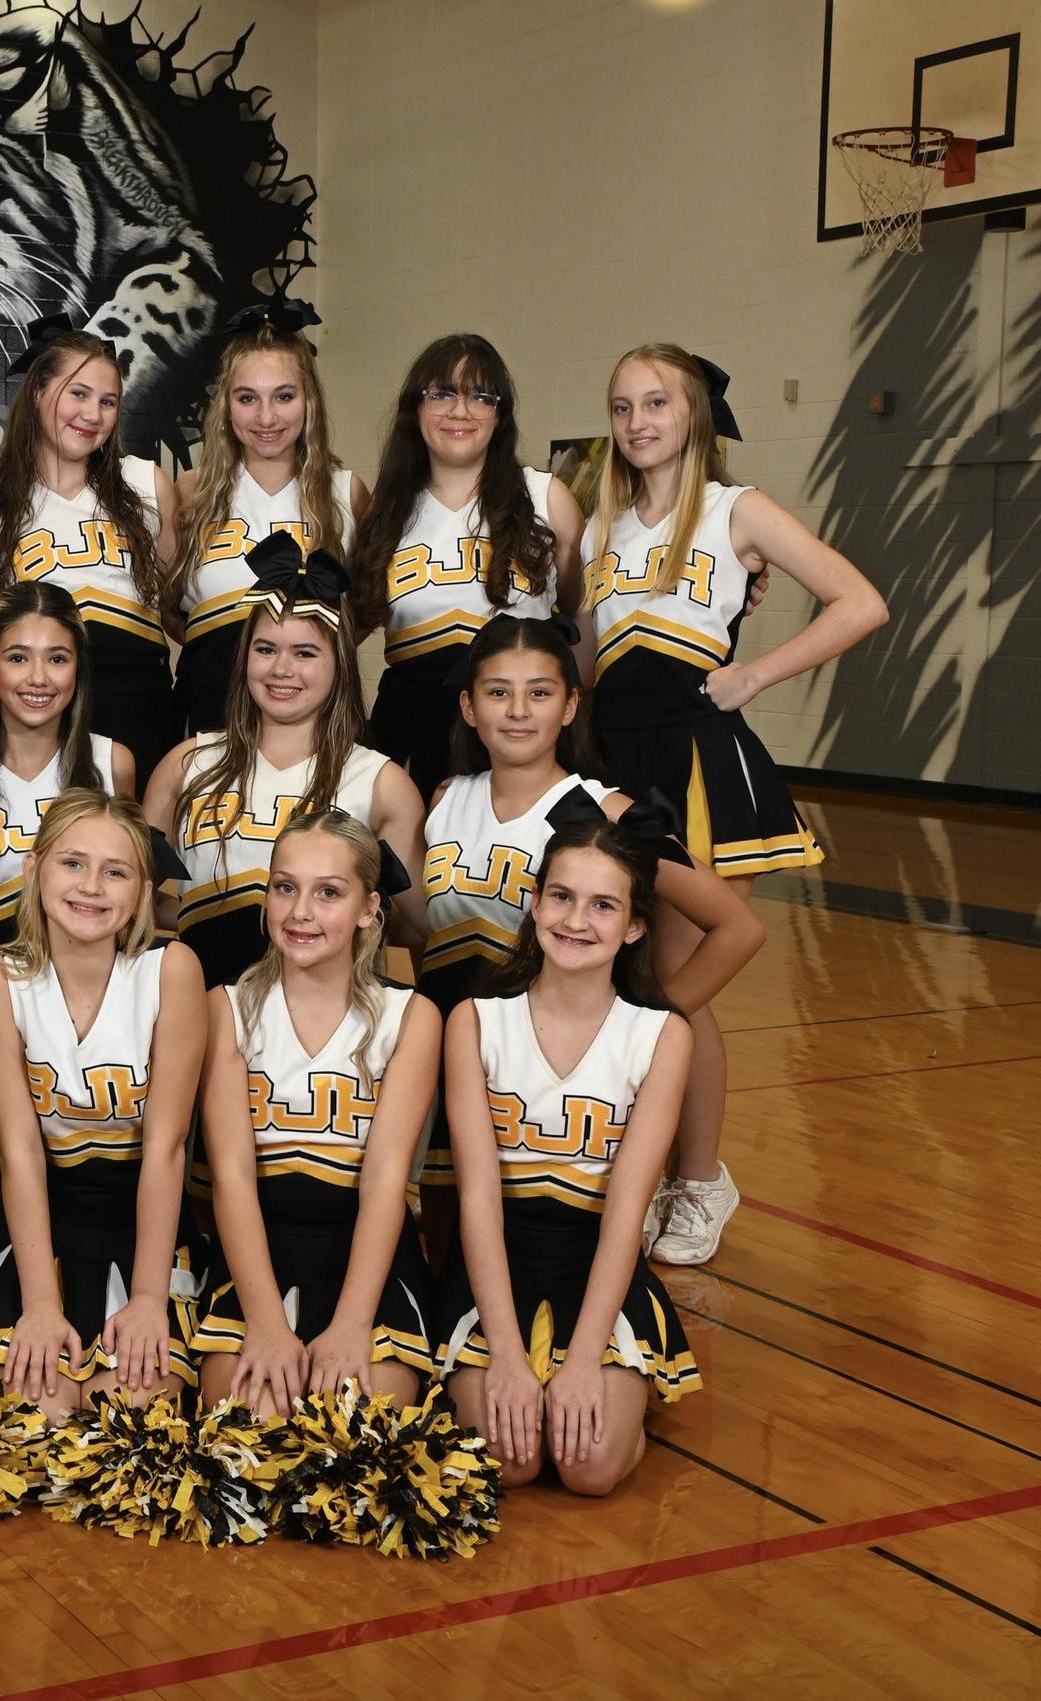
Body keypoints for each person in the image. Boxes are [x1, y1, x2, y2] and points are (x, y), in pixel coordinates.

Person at [584, 342, 887, 1262]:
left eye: (657, 403)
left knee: (681, 988)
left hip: (700, 766)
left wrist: (753, 673)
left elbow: (860, 601)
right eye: (622, 405)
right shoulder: (602, 527)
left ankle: (700, 1180)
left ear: (692, 416)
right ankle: (641, 1170)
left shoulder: (733, 509)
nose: (638, 422)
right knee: (629, 983)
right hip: (614, 762)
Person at [415, 615, 764, 1247]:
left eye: (540, 693)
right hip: (453, 1060)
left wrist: (656, 1025)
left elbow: (737, 927)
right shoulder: (443, 797)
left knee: (544, 1250)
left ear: (571, 704)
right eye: (498, 692)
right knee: (448, 1252)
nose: (518, 711)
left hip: (546, 1077)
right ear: (468, 705)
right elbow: (429, 934)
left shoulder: (606, 811)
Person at [436, 817, 702, 1496]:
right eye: (561, 896)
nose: (576, 920)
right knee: (511, 1461)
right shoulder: (475, 1020)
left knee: (589, 1468)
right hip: (497, 1261)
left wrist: (584, 1359)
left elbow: (625, 1213)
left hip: (598, 1265)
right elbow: (477, 1199)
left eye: (603, 904)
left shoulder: (660, 1035)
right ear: (534, 902)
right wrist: (504, 1353)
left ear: (635, 925)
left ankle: (619, 1401)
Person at [192, 811, 441, 1415]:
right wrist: (267, 1323)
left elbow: (385, 1182)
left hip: (367, 1256)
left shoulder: (409, 1017)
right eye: (285, 887)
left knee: (359, 1426)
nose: (300, 912)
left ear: (368, 908)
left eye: (328, 892)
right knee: (247, 1427)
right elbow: (232, 1177)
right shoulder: (226, 1008)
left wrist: (355, 1323)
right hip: (258, 1254)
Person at [0, 792, 206, 1413]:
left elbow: (167, 1147)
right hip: (42, 1219)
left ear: (143, 892)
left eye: (116, 871)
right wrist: (41, 1306)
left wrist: (150, 1298)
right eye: (72, 863)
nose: (91, 887)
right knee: (34, 1423)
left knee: (128, 1424)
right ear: (33, 870)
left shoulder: (170, 970)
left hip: (143, 1222)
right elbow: (19, 1152)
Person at [145, 536, 427, 989]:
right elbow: (134, 902)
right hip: (202, 1015)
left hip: (328, 1021)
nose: (281, 669)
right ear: (244, 657)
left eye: (305, 653)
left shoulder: (380, 782)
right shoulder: (186, 765)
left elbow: (420, 927)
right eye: (265, 649)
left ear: (340, 664)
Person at [352, 333, 583, 801]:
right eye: (442, 394)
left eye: (480, 396)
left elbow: (581, 612)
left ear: (500, 415)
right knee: (407, 867)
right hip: (409, 724)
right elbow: (346, 628)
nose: (460, 411)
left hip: (517, 727)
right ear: (414, 408)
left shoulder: (545, 497)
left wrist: (573, 713)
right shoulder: (385, 511)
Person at [0, 320, 179, 787]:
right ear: (38, 391)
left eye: (107, 401)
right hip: (40, 715)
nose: (92, 414)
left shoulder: (146, 484)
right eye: (78, 394)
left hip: (141, 706)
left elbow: (177, 607)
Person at [170, 303, 366, 734]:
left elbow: (367, 606)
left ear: (309, 398)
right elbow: (164, 604)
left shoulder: (344, 492)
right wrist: (226, 645)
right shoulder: (190, 492)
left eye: (284, 396)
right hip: (209, 710)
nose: (266, 418)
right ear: (225, 405)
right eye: (247, 398)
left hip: (316, 721)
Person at [0, 582, 133, 967]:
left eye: (57, 659)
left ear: (78, 668)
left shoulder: (112, 763)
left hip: (89, 976)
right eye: (17, 658)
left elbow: (126, 896)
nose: (38, 678)